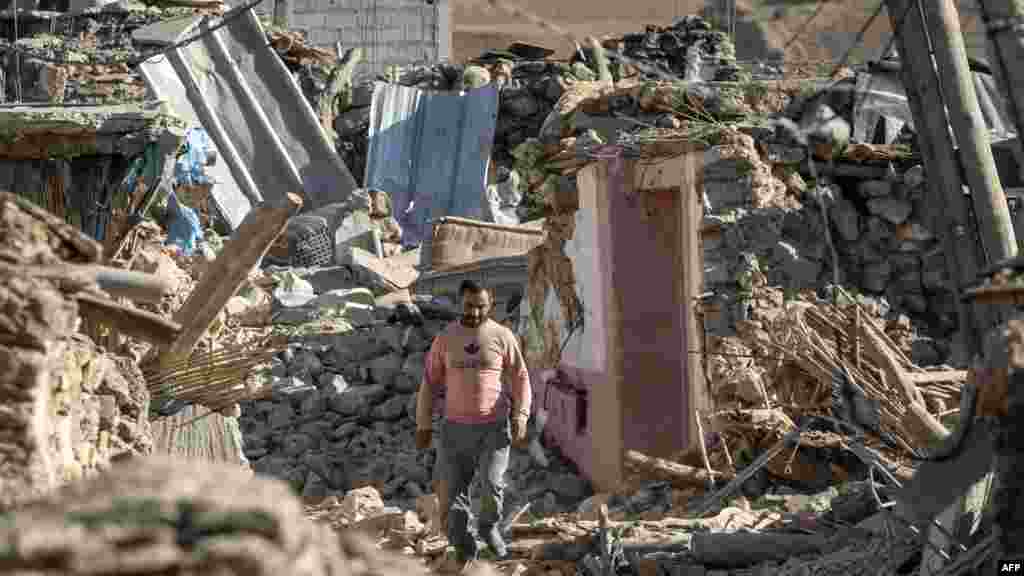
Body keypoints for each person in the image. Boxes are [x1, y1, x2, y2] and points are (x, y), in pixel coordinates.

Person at [415, 280, 532, 569]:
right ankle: (467, 550)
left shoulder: (502, 336)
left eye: (482, 306)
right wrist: (423, 424)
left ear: (491, 304)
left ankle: (488, 527)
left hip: (494, 428)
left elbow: (520, 378)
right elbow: (429, 383)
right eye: (470, 306)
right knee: (450, 501)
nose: (476, 313)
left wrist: (521, 415)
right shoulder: (445, 338)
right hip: (454, 430)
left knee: (492, 486)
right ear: (459, 302)